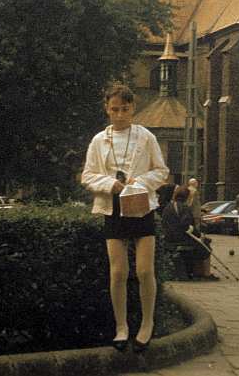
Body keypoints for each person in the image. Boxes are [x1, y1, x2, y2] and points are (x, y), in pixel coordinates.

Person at [81, 84, 169, 353]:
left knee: (144, 270)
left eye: (125, 109)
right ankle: (121, 326)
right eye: (114, 109)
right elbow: (87, 175)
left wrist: (140, 181)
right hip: (114, 209)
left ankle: (147, 323)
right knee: (118, 272)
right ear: (106, 109)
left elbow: (161, 171)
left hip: (142, 207)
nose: (120, 115)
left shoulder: (145, 137)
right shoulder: (98, 141)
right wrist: (110, 184)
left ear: (133, 108)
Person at [161, 186, 212, 280]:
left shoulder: (168, 207)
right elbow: (186, 226)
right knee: (206, 245)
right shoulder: (185, 208)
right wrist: (200, 235)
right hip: (182, 239)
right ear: (186, 197)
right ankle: (204, 273)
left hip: (169, 239)